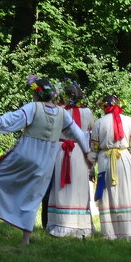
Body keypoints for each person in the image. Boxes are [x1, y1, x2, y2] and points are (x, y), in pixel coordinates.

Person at [0, 75, 88, 245]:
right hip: (46, 162)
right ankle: (25, 240)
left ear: (37, 94)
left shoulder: (33, 107)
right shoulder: (62, 113)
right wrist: (87, 153)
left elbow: (11, 119)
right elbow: (78, 134)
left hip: (25, 154)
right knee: (34, 197)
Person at [44, 82, 96, 238]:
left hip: (61, 150)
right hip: (80, 151)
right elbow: (90, 133)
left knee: (61, 187)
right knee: (79, 186)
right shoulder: (87, 112)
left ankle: (60, 222)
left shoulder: (59, 111)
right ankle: (81, 225)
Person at [89, 94, 131, 240]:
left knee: (108, 195)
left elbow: (93, 149)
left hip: (106, 159)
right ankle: (127, 231)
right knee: (125, 193)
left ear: (104, 107)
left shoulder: (99, 123)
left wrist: (91, 168)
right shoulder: (129, 120)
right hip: (124, 159)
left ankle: (110, 232)